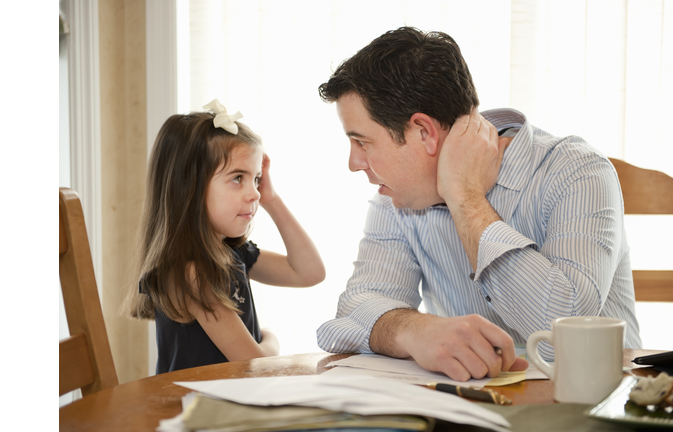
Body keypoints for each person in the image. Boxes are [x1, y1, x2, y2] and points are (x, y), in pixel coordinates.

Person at [316, 27, 642, 382]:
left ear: (423, 132)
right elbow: (351, 314)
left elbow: (562, 338)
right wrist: (414, 330)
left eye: (362, 142)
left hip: (592, 403)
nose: (354, 162)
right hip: (471, 407)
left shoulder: (577, 172)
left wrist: (465, 196)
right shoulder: (396, 199)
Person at [123, 99, 325, 374]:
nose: (254, 192)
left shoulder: (233, 253)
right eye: (238, 178)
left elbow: (309, 273)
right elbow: (255, 365)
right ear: (189, 188)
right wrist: (271, 340)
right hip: (195, 412)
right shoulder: (191, 275)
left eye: (256, 179)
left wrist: (272, 199)